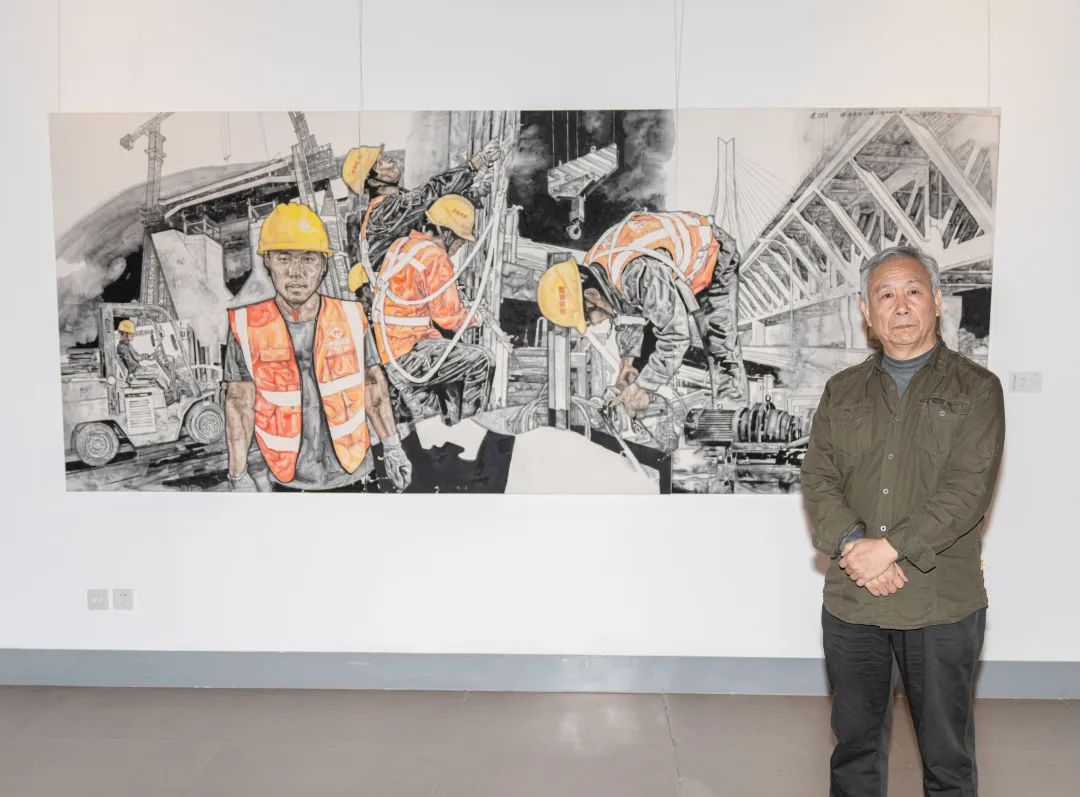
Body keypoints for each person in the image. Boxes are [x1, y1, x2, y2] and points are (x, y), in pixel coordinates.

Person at [800, 245, 1005, 796]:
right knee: (855, 753)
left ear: (936, 301)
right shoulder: (841, 390)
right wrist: (854, 545)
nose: (901, 306)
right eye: (885, 295)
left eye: (913, 291)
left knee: (947, 760)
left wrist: (887, 549)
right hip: (853, 602)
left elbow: (967, 491)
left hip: (940, 603)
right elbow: (818, 478)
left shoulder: (977, 389)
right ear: (866, 312)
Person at [224, 203, 412, 493]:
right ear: (267, 262)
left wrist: (393, 447)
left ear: (323, 265)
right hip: (289, 480)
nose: (295, 272)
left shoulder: (351, 317)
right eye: (284, 259)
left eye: (308, 259)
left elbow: (373, 388)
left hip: (356, 471)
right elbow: (239, 406)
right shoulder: (246, 326)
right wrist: (237, 475)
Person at [535, 210, 744, 417]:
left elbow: (676, 336)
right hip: (674, 268)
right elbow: (626, 313)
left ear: (591, 295)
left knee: (718, 343)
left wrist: (644, 387)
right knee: (657, 335)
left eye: (588, 319)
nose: (594, 324)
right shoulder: (597, 268)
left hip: (713, 254)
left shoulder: (639, 272)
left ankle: (730, 415)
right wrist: (627, 367)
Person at [371, 194, 493, 426]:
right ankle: (474, 428)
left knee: (449, 365)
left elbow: (414, 297)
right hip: (410, 352)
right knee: (482, 360)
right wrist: (478, 317)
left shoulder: (402, 245)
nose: (457, 249)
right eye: (459, 242)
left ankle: (452, 426)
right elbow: (449, 318)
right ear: (446, 233)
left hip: (391, 351)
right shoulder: (435, 256)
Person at [340, 138, 505, 294]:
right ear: (373, 182)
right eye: (379, 162)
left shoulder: (393, 204)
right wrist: (476, 163)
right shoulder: (384, 212)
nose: (389, 159)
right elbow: (429, 193)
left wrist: (474, 190)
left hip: (408, 290)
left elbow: (434, 207)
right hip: (405, 297)